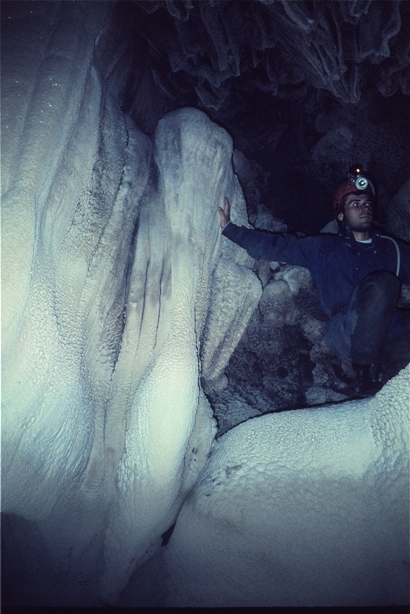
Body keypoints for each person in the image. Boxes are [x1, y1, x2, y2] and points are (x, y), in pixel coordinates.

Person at [218, 165, 410, 395]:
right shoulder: (325, 249)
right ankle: (365, 372)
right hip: (346, 332)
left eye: (367, 203)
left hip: (390, 332)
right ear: (341, 215)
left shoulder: (391, 249)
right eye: (355, 203)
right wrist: (231, 230)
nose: (364, 207)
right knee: (383, 285)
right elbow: (278, 245)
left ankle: (387, 380)